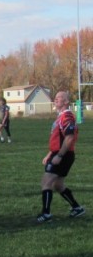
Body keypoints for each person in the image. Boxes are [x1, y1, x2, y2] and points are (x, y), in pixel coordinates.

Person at [37, 91, 85, 223]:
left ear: (66, 102)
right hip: (60, 153)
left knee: (46, 182)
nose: (56, 99)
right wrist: (49, 154)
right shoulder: (60, 116)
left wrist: (59, 155)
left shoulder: (67, 116)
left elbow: (69, 138)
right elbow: (59, 138)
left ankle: (46, 214)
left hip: (63, 154)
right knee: (58, 185)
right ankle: (77, 208)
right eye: (56, 98)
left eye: (59, 98)